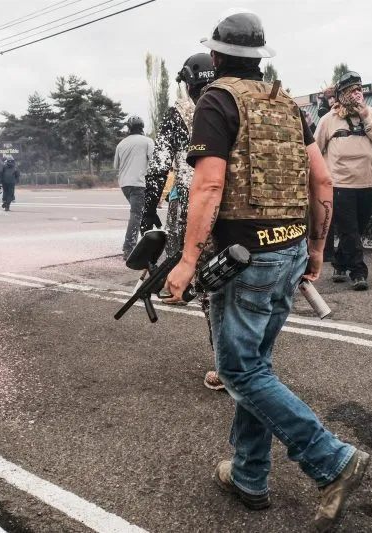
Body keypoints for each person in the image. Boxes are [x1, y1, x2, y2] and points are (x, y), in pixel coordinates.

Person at [163, 9, 369, 531]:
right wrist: (316, 248)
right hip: (290, 250)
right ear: (259, 58)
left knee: (239, 371)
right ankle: (249, 474)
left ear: (216, 56)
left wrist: (187, 260)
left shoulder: (216, 101)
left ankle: (331, 460)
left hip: (246, 258)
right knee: (256, 367)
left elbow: (209, 185)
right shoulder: (288, 104)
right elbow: (322, 182)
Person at [139, 52, 224, 391]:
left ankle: (226, 366)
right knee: (236, 282)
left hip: (195, 209)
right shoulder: (230, 103)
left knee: (209, 288)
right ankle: (251, 359)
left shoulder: (179, 114)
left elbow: (159, 166)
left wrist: (148, 211)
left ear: (187, 83)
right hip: (233, 205)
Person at [315, 70, 372, 291]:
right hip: (340, 184)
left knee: (358, 229)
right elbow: (315, 150)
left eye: (359, 90)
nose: (356, 94)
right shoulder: (328, 120)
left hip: (368, 181)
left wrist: (366, 117)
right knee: (349, 230)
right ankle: (358, 271)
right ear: (341, 95)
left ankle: (340, 263)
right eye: (351, 91)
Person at [114, 115, 154, 258]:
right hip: (139, 183)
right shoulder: (147, 141)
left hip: (124, 184)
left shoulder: (121, 144)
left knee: (139, 212)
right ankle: (129, 248)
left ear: (129, 128)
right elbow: (154, 161)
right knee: (137, 214)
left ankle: (143, 243)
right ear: (142, 127)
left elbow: (116, 165)